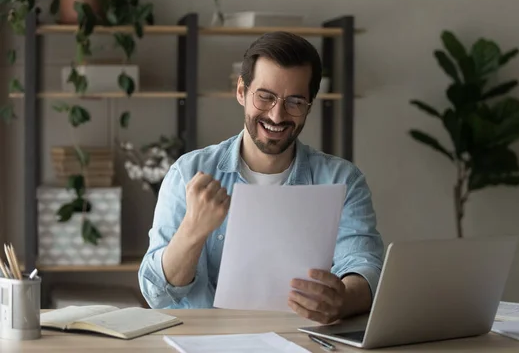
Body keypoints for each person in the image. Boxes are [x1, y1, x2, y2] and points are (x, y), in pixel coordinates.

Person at [138, 31, 384, 325]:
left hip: (302, 342)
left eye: (294, 101)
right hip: (202, 343)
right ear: (241, 91)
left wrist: (342, 299)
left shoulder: (343, 179)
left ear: (309, 105)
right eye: (265, 97)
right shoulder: (188, 172)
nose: (277, 115)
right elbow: (157, 295)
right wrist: (193, 229)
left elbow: (365, 266)